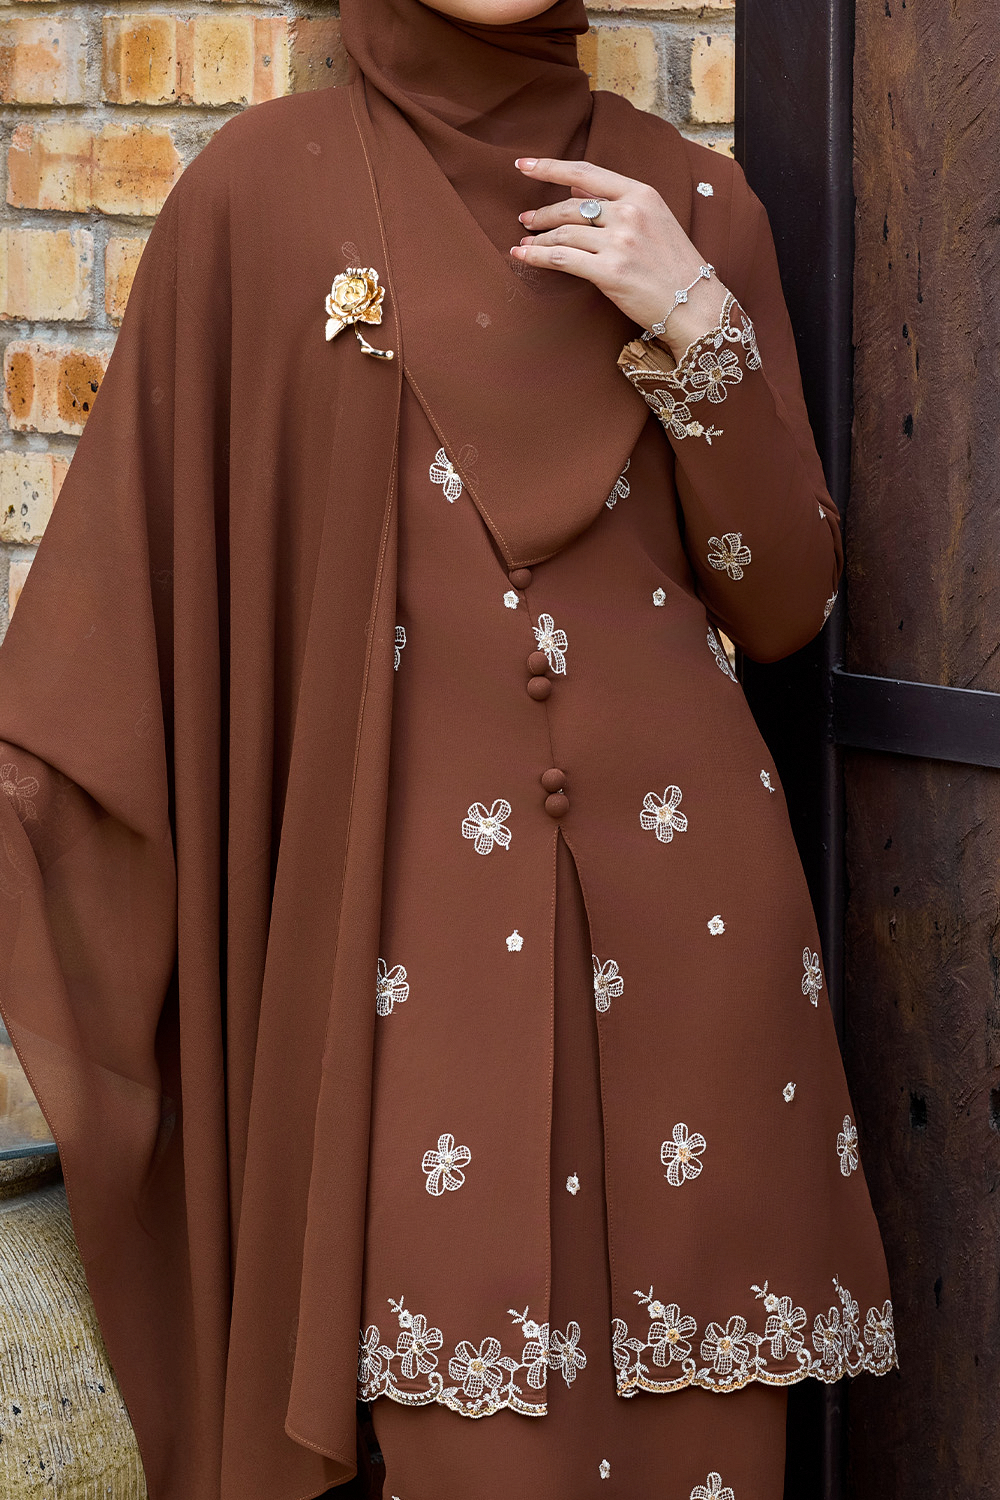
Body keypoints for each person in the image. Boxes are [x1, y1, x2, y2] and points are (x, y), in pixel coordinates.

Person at [0, 3, 897, 1498]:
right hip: (410, 959)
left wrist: (696, 321)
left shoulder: (691, 205)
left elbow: (784, 600)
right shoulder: (261, 199)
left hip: (696, 943)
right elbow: (121, 610)